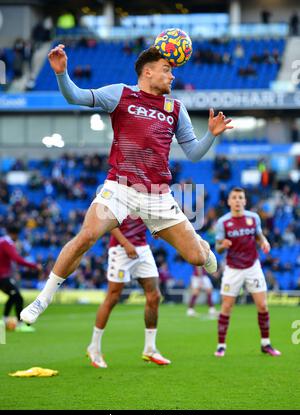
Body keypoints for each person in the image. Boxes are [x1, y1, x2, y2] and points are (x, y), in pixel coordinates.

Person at [21, 44, 233, 325]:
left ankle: (203, 247)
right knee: (86, 236)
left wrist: (211, 135)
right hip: (119, 188)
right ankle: (42, 299)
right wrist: (62, 74)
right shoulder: (121, 94)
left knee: (195, 258)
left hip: (158, 195)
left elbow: (193, 153)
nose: (172, 77)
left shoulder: (175, 108)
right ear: (148, 71)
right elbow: (76, 96)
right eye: (167, 70)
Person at [87, 215, 170, 368]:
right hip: (120, 249)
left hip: (143, 249)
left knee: (155, 296)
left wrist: (154, 229)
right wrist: (125, 243)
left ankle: (150, 349)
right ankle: (94, 348)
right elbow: (109, 222)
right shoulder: (120, 192)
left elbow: (147, 216)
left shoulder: (148, 193)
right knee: (112, 297)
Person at [214, 187, 281, 357]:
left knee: (263, 305)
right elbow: (218, 247)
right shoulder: (223, 222)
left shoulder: (253, 218)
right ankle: (221, 345)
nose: (237, 200)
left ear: (244, 201)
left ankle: (265, 344)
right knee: (227, 306)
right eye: (234, 197)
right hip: (233, 269)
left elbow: (258, 235)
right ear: (229, 201)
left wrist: (264, 242)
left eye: (240, 197)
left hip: (252, 266)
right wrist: (223, 245)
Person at [0, 225, 41, 332]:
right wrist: (34, 266)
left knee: (13, 296)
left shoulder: (2, 241)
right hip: (2, 277)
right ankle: (20, 324)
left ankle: (4, 320)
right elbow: (16, 259)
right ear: (15, 234)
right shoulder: (7, 243)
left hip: (3, 276)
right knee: (18, 297)